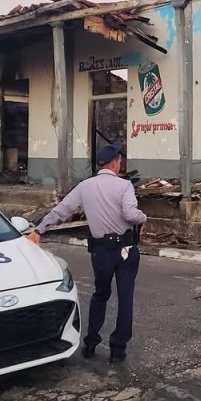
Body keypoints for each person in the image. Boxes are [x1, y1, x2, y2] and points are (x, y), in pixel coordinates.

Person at [30, 143, 147, 363]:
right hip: (125, 249)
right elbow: (131, 214)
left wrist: (39, 230)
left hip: (100, 251)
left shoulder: (84, 186)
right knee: (125, 298)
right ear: (115, 163)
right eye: (119, 161)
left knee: (100, 295)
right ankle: (117, 350)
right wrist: (144, 218)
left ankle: (91, 343)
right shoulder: (124, 186)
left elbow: (62, 210)